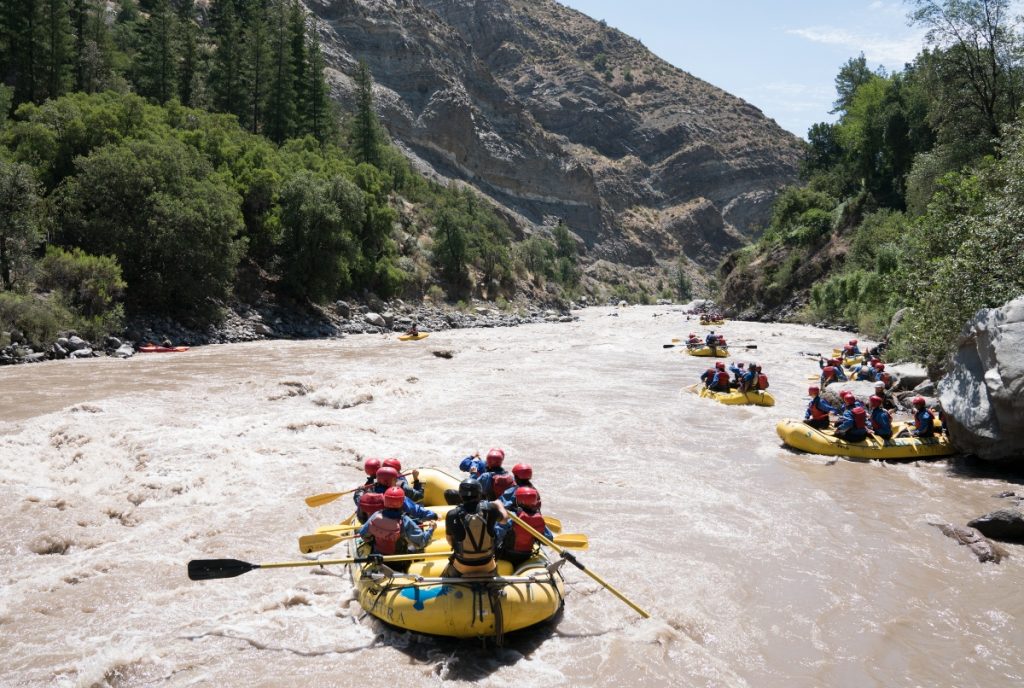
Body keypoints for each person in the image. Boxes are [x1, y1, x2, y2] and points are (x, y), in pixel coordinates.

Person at [443, 479, 510, 578]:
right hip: (487, 565)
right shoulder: (490, 509)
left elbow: (450, 541)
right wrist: (499, 505)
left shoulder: (452, 514)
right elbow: (504, 520)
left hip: (462, 566)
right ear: (479, 494)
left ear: (461, 495)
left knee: (445, 574)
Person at [358, 486, 435, 572]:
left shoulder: (375, 516)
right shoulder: (405, 521)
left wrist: (378, 536)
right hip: (399, 562)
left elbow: (363, 534)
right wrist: (431, 528)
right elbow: (422, 542)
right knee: (415, 548)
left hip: (378, 559)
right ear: (402, 502)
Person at [355, 466, 437, 522]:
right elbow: (416, 510)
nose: (397, 482)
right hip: (392, 528)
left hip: (372, 527)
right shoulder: (395, 496)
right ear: (389, 482)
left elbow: (358, 500)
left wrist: (359, 491)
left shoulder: (368, 493)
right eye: (395, 480)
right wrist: (433, 515)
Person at [496, 487, 553, 568]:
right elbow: (548, 540)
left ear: (518, 501)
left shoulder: (512, 516)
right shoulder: (538, 519)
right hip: (526, 556)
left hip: (506, 555)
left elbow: (497, 535)